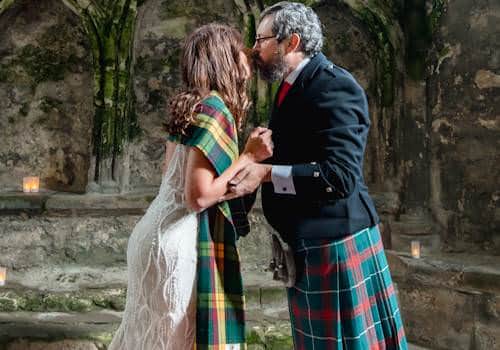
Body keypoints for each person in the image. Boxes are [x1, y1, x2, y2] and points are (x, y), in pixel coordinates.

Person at [223, 2, 408, 349]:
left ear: (290, 43)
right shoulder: (290, 84)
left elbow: (339, 177)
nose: (254, 49)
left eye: (261, 40)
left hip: (336, 242)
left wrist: (264, 173)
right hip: (309, 242)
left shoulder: (336, 86)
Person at [109, 23, 273, 350]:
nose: (248, 55)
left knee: (148, 340)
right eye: (240, 47)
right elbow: (197, 197)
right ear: (224, 59)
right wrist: (247, 158)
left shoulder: (191, 105)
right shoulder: (215, 110)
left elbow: (170, 174)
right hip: (175, 240)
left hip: (153, 232)